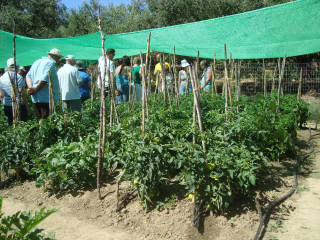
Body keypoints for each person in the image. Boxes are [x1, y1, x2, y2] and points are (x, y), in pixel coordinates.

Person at [26, 48, 62, 118]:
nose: (58, 61)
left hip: (36, 98)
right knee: (46, 121)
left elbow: (28, 76)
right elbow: (44, 79)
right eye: (59, 59)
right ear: (54, 57)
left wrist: (30, 87)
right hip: (46, 98)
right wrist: (35, 89)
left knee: (39, 119)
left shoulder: (36, 62)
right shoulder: (51, 63)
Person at [0, 58, 31, 124]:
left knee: (10, 124)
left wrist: (4, 103)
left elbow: (1, 95)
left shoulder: (2, 78)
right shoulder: (18, 77)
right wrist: (27, 107)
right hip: (18, 105)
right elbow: (22, 94)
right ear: (17, 67)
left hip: (7, 106)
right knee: (22, 124)